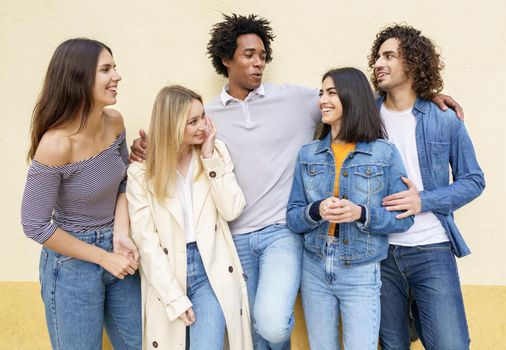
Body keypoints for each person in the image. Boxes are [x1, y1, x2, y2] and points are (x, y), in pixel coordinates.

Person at [129, 14, 464, 349]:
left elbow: (353, 100)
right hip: (234, 238)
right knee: (258, 334)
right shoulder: (207, 115)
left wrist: (425, 97)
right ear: (226, 60)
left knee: (273, 323)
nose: (259, 62)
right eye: (249, 55)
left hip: (281, 233)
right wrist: (147, 147)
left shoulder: (295, 100)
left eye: (263, 55)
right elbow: (175, 131)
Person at [368, 24, 486, 349]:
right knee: (392, 345)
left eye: (389, 56)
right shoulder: (364, 117)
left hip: (431, 249)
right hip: (379, 252)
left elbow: (474, 181)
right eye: (377, 56)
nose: (379, 63)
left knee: (451, 344)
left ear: (412, 63)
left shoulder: (443, 118)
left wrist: (423, 200)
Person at [20, 38, 141, 350]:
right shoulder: (56, 144)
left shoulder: (115, 122)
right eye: (106, 69)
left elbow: (124, 181)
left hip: (117, 250)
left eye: (114, 67)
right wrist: (103, 258)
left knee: (142, 343)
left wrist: (121, 233)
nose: (117, 76)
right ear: (79, 78)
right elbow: (35, 225)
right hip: (71, 265)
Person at [286, 67, 414, 350]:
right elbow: (293, 217)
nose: (323, 100)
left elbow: (404, 219)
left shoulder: (384, 153)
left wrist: (361, 213)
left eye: (331, 92)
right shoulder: (308, 155)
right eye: (321, 93)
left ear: (351, 97)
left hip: (361, 269)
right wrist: (316, 210)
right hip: (315, 266)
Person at [126, 85, 252, 350]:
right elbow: (146, 242)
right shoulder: (141, 172)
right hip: (167, 272)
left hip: (211, 270)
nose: (203, 126)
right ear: (171, 124)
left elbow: (232, 210)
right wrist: (174, 298)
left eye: (203, 116)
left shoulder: (216, 153)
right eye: (192, 121)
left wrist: (209, 160)